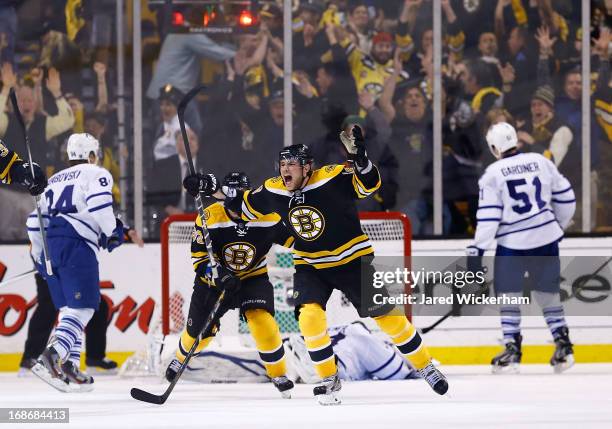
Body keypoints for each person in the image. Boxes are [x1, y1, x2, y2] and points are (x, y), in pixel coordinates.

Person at [185, 133, 448, 405]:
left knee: (388, 318)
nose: (285, 169)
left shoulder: (332, 176)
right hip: (310, 264)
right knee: (309, 319)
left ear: (308, 166)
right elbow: (241, 202)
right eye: (282, 164)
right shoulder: (275, 189)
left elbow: (369, 185)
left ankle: (425, 366)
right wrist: (209, 185)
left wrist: (361, 160)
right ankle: (328, 378)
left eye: (292, 164)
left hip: (351, 261)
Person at [165, 172, 296, 398]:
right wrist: (218, 275)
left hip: (253, 277)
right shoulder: (209, 217)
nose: (235, 207)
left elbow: (297, 241)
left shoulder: (268, 217)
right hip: (214, 281)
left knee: (262, 321)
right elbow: (199, 258)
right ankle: (180, 359)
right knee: (199, 331)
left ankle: (278, 373)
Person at [466, 122, 576, 374]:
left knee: (508, 294)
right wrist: (555, 227)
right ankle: (564, 346)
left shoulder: (493, 173)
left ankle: (512, 349)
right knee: (547, 293)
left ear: (494, 148)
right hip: (546, 238)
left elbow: (489, 217)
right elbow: (567, 198)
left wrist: (477, 250)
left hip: (513, 244)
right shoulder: (541, 161)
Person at [27, 132, 125, 392]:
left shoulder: (52, 181)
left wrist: (39, 255)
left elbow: (33, 221)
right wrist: (113, 231)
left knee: (71, 309)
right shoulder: (95, 173)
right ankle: (52, 354)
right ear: (92, 154)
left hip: (52, 247)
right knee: (85, 308)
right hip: (77, 247)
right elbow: (100, 208)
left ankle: (70, 366)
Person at [285, 321, 418, 383]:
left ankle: (292, 362)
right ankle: (314, 366)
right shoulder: (361, 334)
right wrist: (411, 368)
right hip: (331, 364)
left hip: (293, 345)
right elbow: (395, 372)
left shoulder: (337, 328)